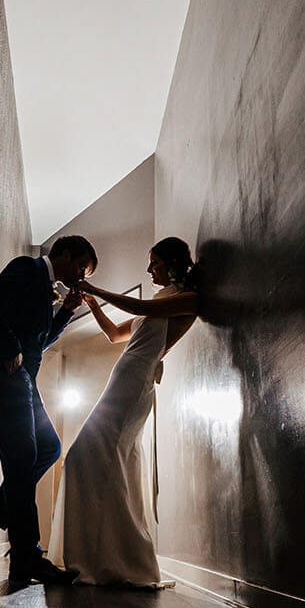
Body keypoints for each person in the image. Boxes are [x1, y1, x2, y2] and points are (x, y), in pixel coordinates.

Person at [49, 237, 200, 587]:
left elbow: (138, 306)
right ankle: (102, 554)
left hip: (134, 384)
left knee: (84, 456)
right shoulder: (160, 302)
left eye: (155, 263)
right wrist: (93, 304)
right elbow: (116, 334)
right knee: (100, 459)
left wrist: (96, 289)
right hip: (122, 380)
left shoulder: (187, 300)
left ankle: (120, 558)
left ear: (172, 264)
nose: (149, 269)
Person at [0, 235, 98, 586]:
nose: (81, 276)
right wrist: (10, 347)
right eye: (81, 267)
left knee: (49, 448)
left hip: (24, 381)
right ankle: (26, 557)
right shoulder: (28, 268)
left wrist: (65, 313)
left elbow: (38, 342)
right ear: (64, 253)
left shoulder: (47, 287)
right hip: (3, 377)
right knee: (23, 460)